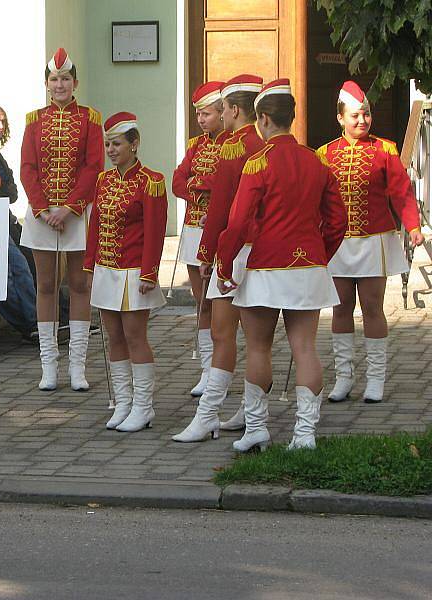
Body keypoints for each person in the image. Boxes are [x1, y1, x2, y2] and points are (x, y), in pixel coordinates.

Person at [215, 79, 347, 451]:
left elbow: (238, 224)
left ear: (262, 119)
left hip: (266, 267)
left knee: (258, 348)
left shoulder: (258, 162)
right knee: (305, 348)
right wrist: (319, 254)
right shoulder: (317, 160)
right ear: (291, 117)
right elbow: (337, 221)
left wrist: (224, 267)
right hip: (308, 268)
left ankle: (257, 428)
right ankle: (304, 435)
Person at [317, 81, 425, 403]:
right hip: (337, 243)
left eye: (366, 114)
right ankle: (344, 377)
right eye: (355, 116)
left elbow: (401, 192)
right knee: (340, 309)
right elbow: (317, 199)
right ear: (340, 118)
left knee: (373, 308)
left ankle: (375, 379)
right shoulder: (325, 154)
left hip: (372, 241)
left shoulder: (385, 150)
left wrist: (413, 225)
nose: (362, 121)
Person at [173, 74, 266, 442]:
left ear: (235, 110)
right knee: (257, 340)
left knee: (222, 332)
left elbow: (223, 209)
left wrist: (208, 252)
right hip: (259, 251)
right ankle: (250, 413)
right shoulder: (262, 144)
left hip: (233, 250)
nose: (220, 115)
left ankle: (209, 414)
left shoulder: (232, 146)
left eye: (223, 108)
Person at [20, 47, 104, 391]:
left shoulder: (90, 119)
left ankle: (77, 367)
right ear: (46, 83)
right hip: (42, 216)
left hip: (77, 214)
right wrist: (44, 209)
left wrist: (69, 208)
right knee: (45, 286)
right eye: (54, 79)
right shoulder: (33, 121)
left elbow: (93, 166)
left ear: (75, 82)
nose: (59, 84)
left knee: (80, 285)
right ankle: (49, 366)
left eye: (65, 79)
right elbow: (27, 168)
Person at [84, 112, 167, 432]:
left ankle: (144, 406)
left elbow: (155, 229)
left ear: (135, 144)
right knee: (113, 337)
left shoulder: (151, 181)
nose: (111, 150)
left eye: (117, 144)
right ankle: (123, 402)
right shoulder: (103, 181)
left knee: (135, 337)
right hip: (107, 269)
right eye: (107, 144)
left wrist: (149, 272)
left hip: (134, 271)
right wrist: (89, 265)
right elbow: (95, 227)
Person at [171, 81, 228, 397]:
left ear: (222, 112)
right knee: (201, 301)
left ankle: (222, 366)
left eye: (206, 113)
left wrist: (202, 182)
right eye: (198, 114)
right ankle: (207, 370)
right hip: (194, 229)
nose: (201, 120)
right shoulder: (195, 145)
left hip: (222, 230)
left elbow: (227, 183)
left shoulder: (233, 144)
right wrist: (199, 185)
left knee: (223, 305)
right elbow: (178, 181)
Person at [0, 103, 38, 339]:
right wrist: (0, 188)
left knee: (26, 266)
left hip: (4, 219)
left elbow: (12, 192)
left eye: (2, 122)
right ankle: (30, 324)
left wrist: (0, 188)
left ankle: (42, 320)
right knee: (5, 276)